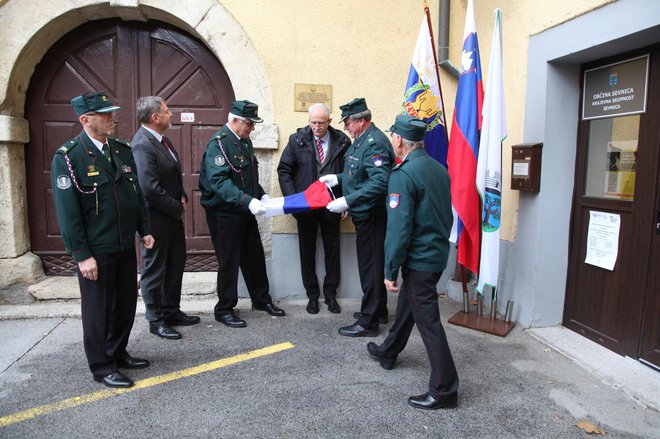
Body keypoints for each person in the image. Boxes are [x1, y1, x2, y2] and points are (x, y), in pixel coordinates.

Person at [51, 92, 154, 388]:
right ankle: (101, 365)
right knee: (98, 311)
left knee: (124, 304)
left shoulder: (121, 149)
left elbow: (135, 196)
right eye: (105, 114)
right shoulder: (69, 157)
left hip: (123, 244)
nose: (112, 118)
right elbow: (68, 213)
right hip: (96, 249)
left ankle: (118, 352)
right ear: (85, 120)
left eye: (111, 113)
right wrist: (82, 255)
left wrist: (144, 229)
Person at [366, 114, 459, 410]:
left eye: (393, 135)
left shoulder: (403, 174)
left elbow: (399, 229)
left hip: (419, 260)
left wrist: (389, 270)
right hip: (435, 256)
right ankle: (388, 351)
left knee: (428, 323)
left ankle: (444, 389)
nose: (392, 139)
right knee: (410, 305)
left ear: (399, 141)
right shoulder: (437, 169)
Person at [199, 100, 285, 328]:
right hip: (224, 214)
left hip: (244, 211)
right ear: (234, 120)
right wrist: (248, 201)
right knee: (229, 261)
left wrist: (262, 194)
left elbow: (249, 177)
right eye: (249, 123)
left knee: (254, 257)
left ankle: (261, 300)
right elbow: (218, 181)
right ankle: (224, 308)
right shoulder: (218, 144)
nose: (252, 128)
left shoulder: (243, 142)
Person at [320, 98, 394, 337]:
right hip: (365, 214)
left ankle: (369, 321)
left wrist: (347, 201)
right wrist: (338, 178)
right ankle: (378, 310)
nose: (345, 127)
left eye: (348, 122)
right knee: (371, 266)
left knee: (370, 268)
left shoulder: (374, 143)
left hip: (372, 215)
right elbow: (358, 172)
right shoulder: (362, 140)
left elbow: (380, 182)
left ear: (361, 121)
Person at [132, 96, 200, 340]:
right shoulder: (142, 144)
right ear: (155, 117)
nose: (171, 114)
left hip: (171, 217)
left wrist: (180, 194)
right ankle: (156, 319)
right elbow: (148, 187)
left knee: (175, 264)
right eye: (167, 111)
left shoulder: (163, 140)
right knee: (154, 270)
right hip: (155, 219)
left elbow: (171, 175)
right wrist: (176, 206)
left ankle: (171, 311)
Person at [277, 103, 350, 314]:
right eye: (313, 122)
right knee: (307, 251)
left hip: (332, 205)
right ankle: (312, 296)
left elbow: (349, 174)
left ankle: (331, 295)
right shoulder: (297, 140)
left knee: (332, 251)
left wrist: (345, 201)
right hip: (306, 206)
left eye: (321, 123)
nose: (316, 127)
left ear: (329, 121)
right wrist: (295, 200)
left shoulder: (342, 142)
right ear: (309, 121)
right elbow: (284, 171)